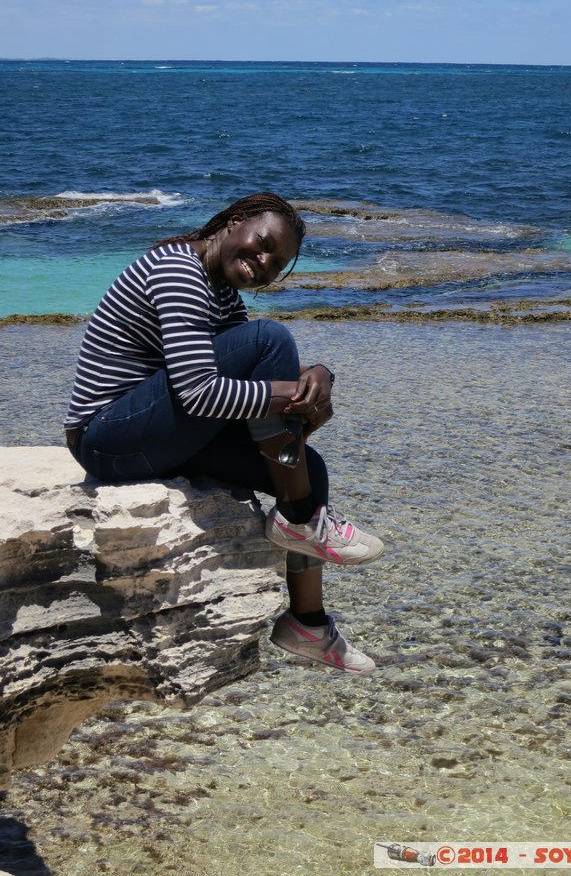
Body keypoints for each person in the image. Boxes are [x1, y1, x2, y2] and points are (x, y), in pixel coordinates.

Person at [64, 192, 384, 675]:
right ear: (233, 223)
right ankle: (300, 522)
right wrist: (286, 396)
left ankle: (308, 625)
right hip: (106, 438)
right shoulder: (179, 271)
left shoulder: (222, 295)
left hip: (154, 436)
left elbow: (245, 385)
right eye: (262, 244)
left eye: (277, 263)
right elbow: (198, 393)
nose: (263, 263)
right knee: (270, 338)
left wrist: (318, 379)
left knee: (308, 467)